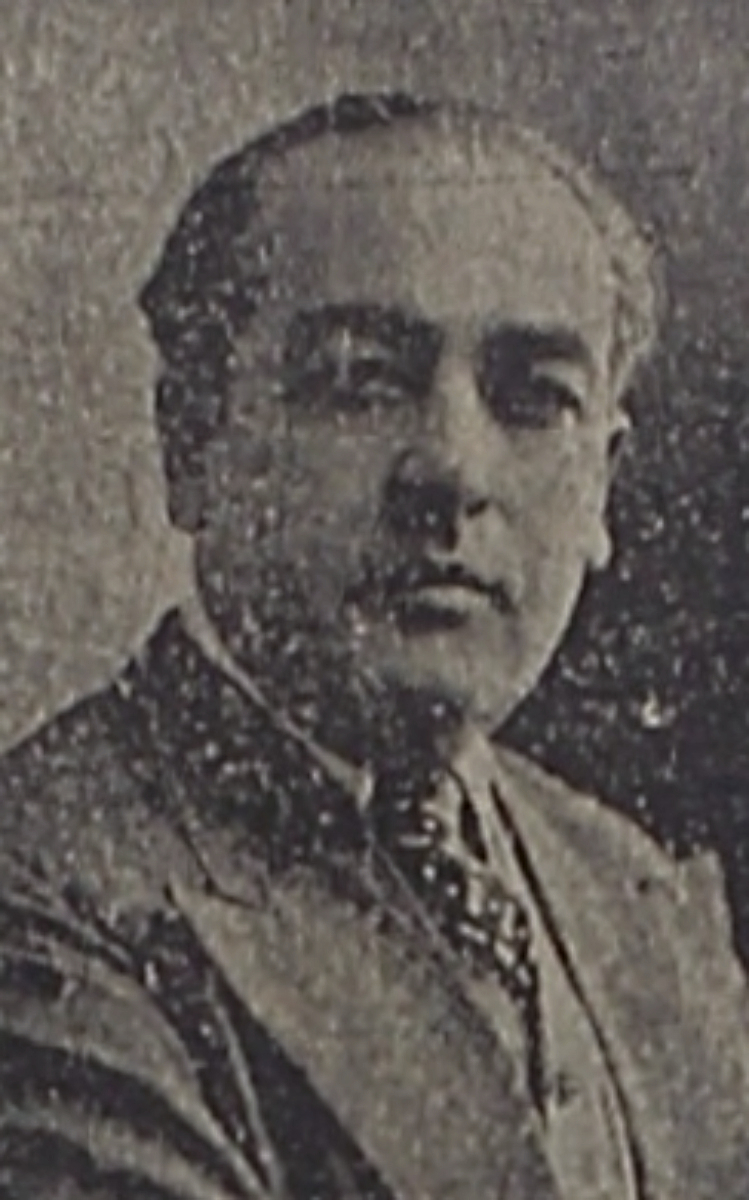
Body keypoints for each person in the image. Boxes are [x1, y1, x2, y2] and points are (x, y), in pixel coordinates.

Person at [0, 92, 746, 1200]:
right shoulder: (47, 894)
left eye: (534, 399)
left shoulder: (636, 893)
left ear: (600, 481)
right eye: (360, 380)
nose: (451, 469)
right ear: (191, 440)